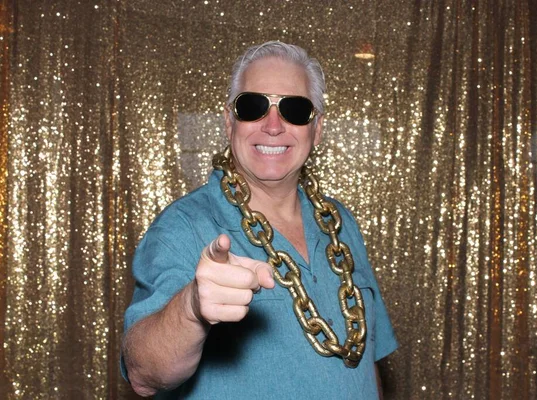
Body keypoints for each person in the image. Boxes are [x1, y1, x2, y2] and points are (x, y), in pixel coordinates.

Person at [121, 41, 398, 399]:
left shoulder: (340, 222)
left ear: (317, 129)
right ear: (228, 121)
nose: (272, 125)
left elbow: (363, 363)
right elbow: (144, 373)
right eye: (252, 106)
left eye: (295, 110)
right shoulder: (183, 227)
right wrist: (191, 309)